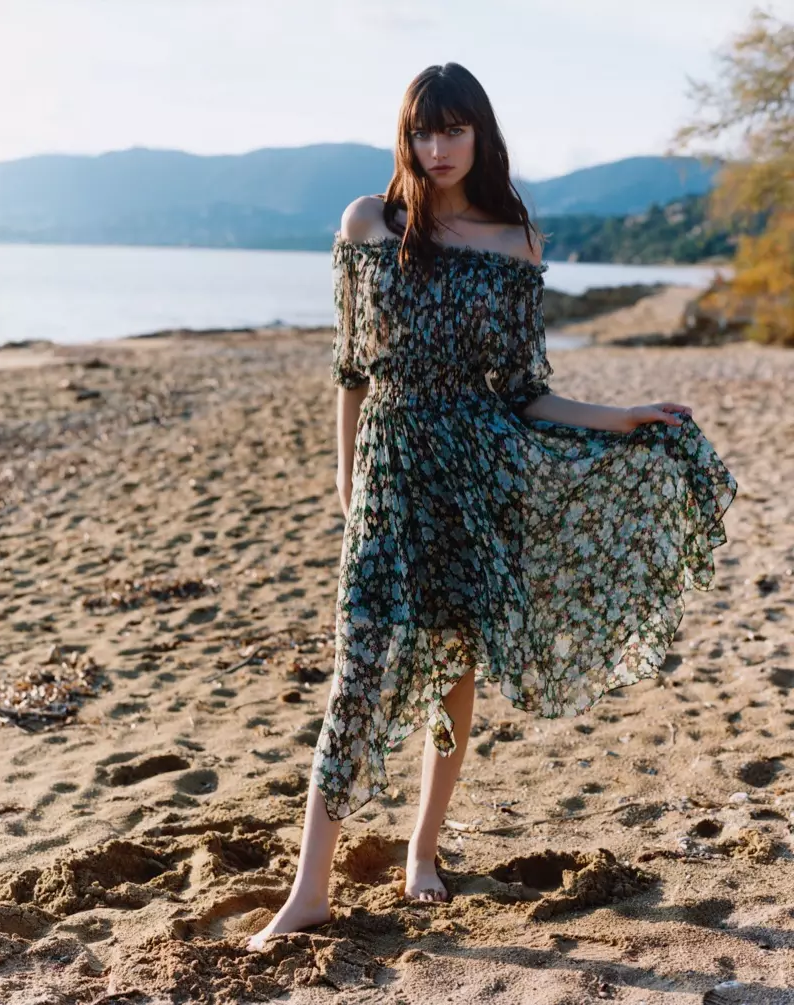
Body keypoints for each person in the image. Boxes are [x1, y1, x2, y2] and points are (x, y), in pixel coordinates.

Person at [247, 62, 737, 951]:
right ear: (407, 135)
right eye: (424, 132)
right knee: (357, 670)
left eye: (454, 130)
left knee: (455, 666)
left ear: (481, 134)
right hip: (390, 475)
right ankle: (309, 889)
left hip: (478, 478)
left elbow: (522, 393)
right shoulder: (368, 223)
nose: (438, 149)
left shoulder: (515, 241)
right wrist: (345, 482)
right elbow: (350, 374)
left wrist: (622, 416)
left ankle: (423, 851)